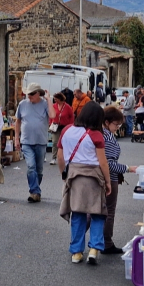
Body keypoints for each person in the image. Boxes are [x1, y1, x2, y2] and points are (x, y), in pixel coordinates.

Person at [58, 102, 111, 265]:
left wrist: (64, 175)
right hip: (94, 177)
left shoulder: (66, 130)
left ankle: (76, 252)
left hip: (74, 176)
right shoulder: (96, 135)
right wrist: (108, 181)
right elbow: (103, 162)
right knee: (98, 213)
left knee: (78, 214)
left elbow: (60, 156)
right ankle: (94, 249)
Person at [101, 106, 137, 254]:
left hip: (99, 177)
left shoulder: (99, 134)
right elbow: (109, 164)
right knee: (108, 211)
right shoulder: (108, 137)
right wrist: (129, 168)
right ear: (107, 122)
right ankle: (106, 242)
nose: (117, 128)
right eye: (116, 124)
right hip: (109, 178)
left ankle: (79, 240)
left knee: (93, 211)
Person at [15, 82, 55, 203]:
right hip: (26, 141)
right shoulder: (22, 104)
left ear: (38, 94)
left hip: (41, 141)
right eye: (28, 94)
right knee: (31, 166)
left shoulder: (44, 104)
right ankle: (34, 192)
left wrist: (48, 99)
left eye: (32, 94)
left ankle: (35, 189)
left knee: (39, 170)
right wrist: (16, 138)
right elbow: (18, 121)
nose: (29, 96)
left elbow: (53, 115)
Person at [48, 92, 75, 164]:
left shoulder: (67, 107)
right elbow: (51, 114)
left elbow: (71, 116)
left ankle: (65, 157)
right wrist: (50, 123)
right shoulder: (54, 106)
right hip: (55, 126)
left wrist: (71, 126)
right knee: (55, 142)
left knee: (65, 143)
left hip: (65, 127)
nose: (55, 100)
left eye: (56, 99)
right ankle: (53, 158)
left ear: (60, 99)